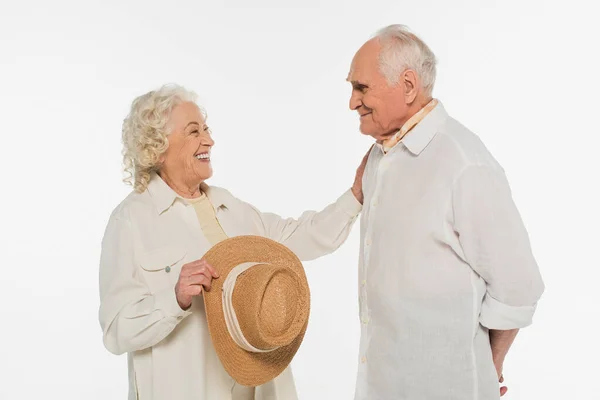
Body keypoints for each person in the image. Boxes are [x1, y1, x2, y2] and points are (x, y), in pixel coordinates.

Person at [98, 84, 366, 400]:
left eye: (207, 129)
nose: (208, 140)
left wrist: (356, 197)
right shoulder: (131, 220)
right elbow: (116, 331)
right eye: (193, 131)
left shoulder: (230, 207)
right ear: (157, 147)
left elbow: (300, 237)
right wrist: (175, 298)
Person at [346, 24, 545, 399]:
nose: (352, 102)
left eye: (362, 87)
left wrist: (488, 365)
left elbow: (519, 286)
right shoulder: (378, 157)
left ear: (408, 85)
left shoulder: (464, 163)